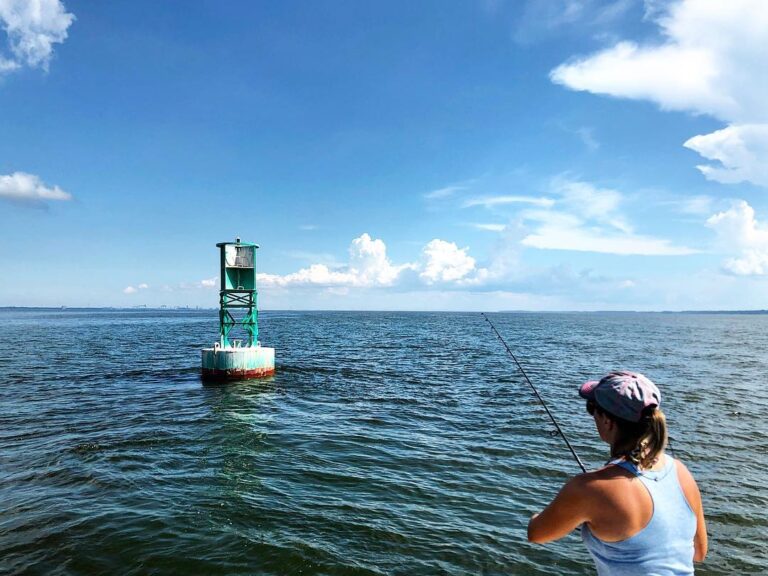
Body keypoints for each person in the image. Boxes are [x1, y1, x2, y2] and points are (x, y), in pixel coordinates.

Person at [527, 370, 707, 575]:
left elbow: (536, 534)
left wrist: (538, 516)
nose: (592, 415)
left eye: (591, 408)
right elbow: (698, 553)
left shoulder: (590, 489)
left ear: (608, 421)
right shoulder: (680, 472)